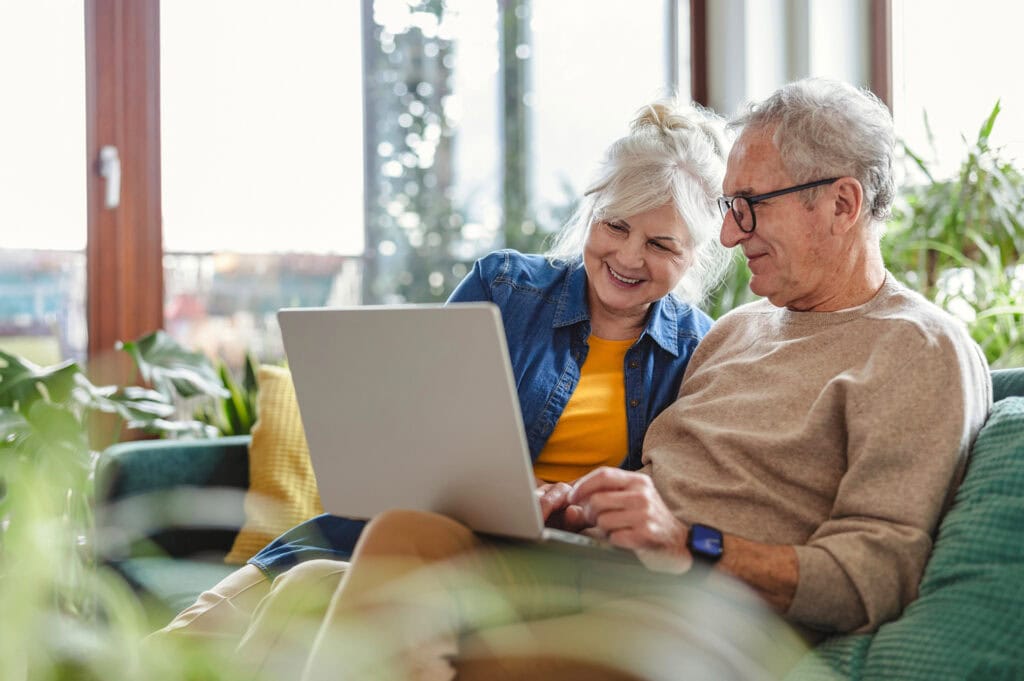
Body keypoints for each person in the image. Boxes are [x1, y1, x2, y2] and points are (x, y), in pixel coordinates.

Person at [235, 77, 991, 681]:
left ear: (843, 202)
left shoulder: (918, 348)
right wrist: (586, 504)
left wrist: (688, 538)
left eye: (749, 208)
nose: (727, 235)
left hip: (712, 616)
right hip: (606, 569)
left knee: (365, 623)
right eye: (730, 208)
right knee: (347, 565)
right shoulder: (737, 332)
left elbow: (876, 573)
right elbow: (663, 479)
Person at [152, 98, 734, 648]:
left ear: (695, 257)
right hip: (403, 526)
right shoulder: (504, 287)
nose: (629, 256)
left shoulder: (698, 349)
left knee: (300, 600)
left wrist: (575, 506)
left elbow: (666, 506)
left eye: (660, 244)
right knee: (190, 636)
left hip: (533, 563)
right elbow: (414, 431)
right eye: (615, 226)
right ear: (590, 216)